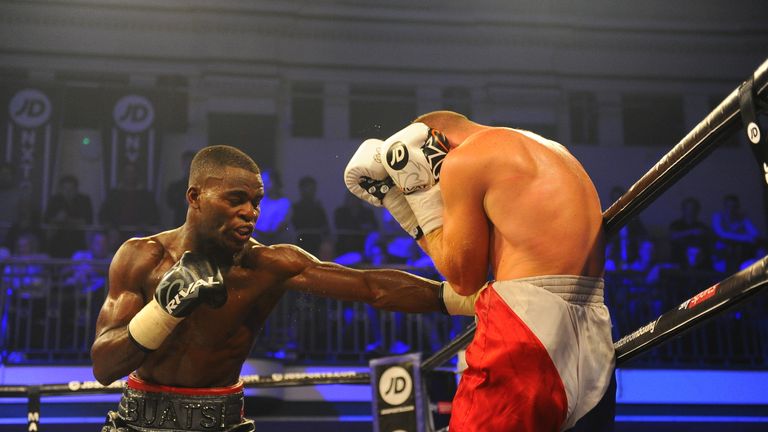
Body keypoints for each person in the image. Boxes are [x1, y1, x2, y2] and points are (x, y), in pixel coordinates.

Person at [91, 145, 452, 432]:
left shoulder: (267, 265)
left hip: (221, 422)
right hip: (137, 421)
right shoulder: (141, 257)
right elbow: (104, 366)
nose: (250, 212)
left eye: (256, 202)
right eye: (235, 199)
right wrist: (163, 309)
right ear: (194, 197)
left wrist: (463, 299)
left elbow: (369, 286)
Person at [345, 112, 615, 431]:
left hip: (524, 333)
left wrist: (407, 200)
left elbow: (463, 278)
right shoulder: (551, 149)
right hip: (595, 331)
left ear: (433, 150)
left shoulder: (465, 161)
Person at [44, 174, 94, 258]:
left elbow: (88, 220)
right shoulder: (54, 200)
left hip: (78, 240)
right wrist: (57, 219)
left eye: (71, 189)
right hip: (58, 240)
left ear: (76, 189)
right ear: (60, 189)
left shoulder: (84, 201)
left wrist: (65, 221)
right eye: (65, 189)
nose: (68, 192)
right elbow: (47, 220)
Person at [711, 194, 760, 273]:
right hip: (721, 252)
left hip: (741, 252)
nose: (731, 210)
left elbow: (755, 234)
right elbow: (721, 234)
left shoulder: (742, 218)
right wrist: (745, 238)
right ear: (724, 207)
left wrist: (743, 221)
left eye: (733, 207)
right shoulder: (718, 216)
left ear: (737, 208)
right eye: (728, 207)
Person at [668, 196, 711, 270]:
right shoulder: (676, 224)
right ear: (683, 209)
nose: (690, 211)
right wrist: (691, 232)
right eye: (688, 208)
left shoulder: (702, 226)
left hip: (700, 260)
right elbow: (672, 236)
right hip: (679, 257)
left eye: (693, 208)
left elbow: (708, 242)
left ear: (697, 210)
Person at [290, 176, 330, 256]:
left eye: (313, 188)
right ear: (301, 190)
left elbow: (324, 225)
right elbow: (296, 224)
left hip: (317, 242)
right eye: (308, 188)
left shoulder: (318, 208)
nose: (311, 191)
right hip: (301, 241)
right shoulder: (296, 207)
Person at [251, 168, 291, 245]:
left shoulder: (284, 203)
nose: (264, 185)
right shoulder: (258, 201)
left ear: (276, 183)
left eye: (268, 182)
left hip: (275, 246)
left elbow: (274, 232)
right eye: (263, 182)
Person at [165, 150, 197, 228]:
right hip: (179, 224)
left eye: (190, 164)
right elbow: (170, 203)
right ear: (182, 164)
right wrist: (182, 202)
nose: (188, 167)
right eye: (186, 163)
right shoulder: (175, 186)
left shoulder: (202, 186)